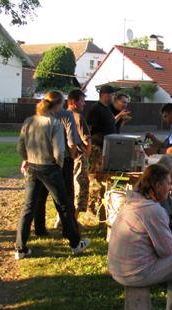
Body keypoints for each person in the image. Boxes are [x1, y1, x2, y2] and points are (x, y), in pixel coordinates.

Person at [108, 164, 172, 310]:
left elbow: (163, 238)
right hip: (133, 272)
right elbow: (165, 249)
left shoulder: (132, 201)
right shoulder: (153, 210)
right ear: (157, 185)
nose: (170, 187)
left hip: (116, 267)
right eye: (168, 184)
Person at [15, 95, 90, 259]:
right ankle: (75, 244)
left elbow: (20, 146)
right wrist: (58, 165)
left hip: (33, 167)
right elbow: (59, 150)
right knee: (64, 205)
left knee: (28, 207)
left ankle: (20, 248)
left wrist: (27, 159)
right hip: (50, 168)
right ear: (54, 107)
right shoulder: (54, 123)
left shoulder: (29, 121)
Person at [33, 91, 81, 234]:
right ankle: (69, 229)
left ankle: (40, 229)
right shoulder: (66, 115)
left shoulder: (39, 116)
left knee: (40, 196)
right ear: (61, 103)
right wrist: (72, 156)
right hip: (62, 159)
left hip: (40, 160)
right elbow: (72, 142)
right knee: (65, 196)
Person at [86, 84, 120, 215]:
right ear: (105, 95)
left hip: (107, 148)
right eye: (112, 95)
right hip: (97, 148)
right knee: (95, 177)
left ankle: (101, 204)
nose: (114, 97)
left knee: (104, 178)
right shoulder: (96, 109)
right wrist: (89, 146)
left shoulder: (107, 109)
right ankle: (91, 207)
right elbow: (88, 129)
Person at [66, 89, 91, 220]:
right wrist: (87, 157)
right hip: (78, 157)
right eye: (82, 101)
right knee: (80, 186)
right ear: (73, 102)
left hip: (64, 157)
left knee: (67, 187)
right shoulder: (78, 117)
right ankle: (73, 219)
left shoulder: (61, 116)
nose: (84, 103)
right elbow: (87, 141)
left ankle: (63, 218)